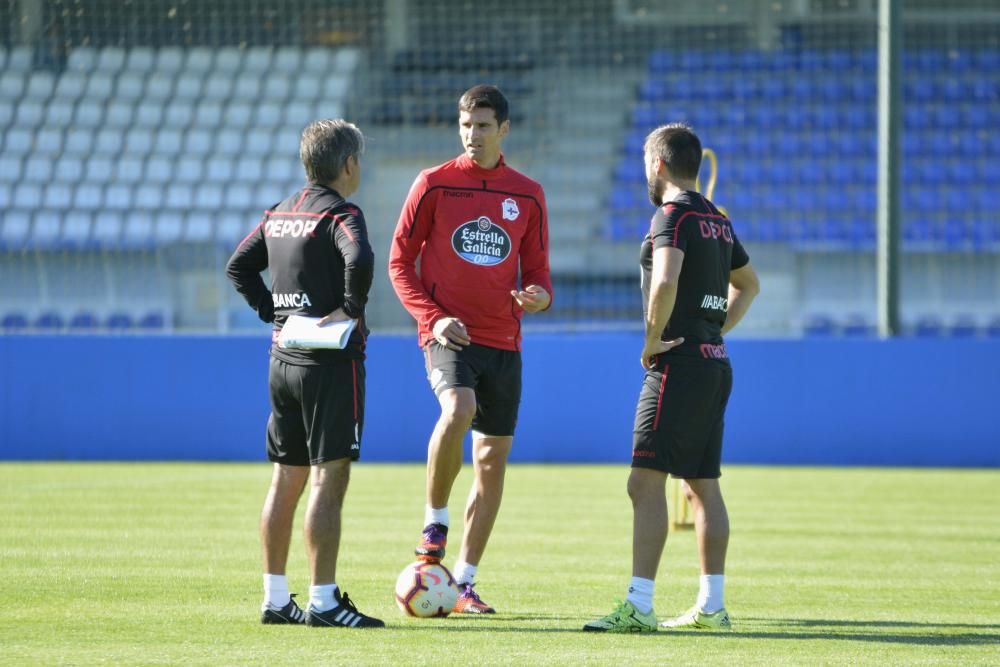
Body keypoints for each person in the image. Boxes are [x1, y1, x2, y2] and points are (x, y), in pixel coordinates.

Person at [583, 123, 760, 633]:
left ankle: (639, 605)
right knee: (703, 486)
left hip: (677, 363)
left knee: (644, 482)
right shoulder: (717, 221)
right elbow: (749, 285)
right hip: (713, 361)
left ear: (657, 164)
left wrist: (651, 338)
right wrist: (714, 326)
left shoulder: (673, 215)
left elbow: (664, 279)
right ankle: (712, 606)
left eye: (645, 162)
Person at [388, 85, 553, 615]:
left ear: (503, 129)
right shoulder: (434, 184)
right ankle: (434, 521)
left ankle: (464, 583)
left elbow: (541, 276)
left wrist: (538, 297)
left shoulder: (527, 194)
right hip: (449, 335)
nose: (472, 135)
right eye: (465, 125)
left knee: (491, 461)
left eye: (483, 126)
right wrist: (433, 320)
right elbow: (398, 263)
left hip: (504, 341)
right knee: (457, 408)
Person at [225, 119, 384, 629]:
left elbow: (237, 266)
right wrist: (350, 309)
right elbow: (359, 257)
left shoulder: (279, 213)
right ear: (349, 164)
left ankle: (275, 597)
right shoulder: (341, 214)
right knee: (329, 477)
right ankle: (323, 600)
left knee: (285, 477)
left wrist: (272, 312)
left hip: (282, 359)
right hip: (330, 364)